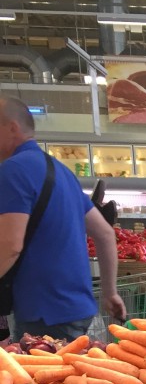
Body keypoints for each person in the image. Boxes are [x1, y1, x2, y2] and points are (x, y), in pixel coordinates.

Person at [0, 96, 125, 340]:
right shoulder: (60, 171)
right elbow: (105, 233)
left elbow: (10, 246)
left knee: (36, 377)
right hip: (77, 308)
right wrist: (110, 292)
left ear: (11, 128)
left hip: (44, 312)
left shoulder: (12, 171)